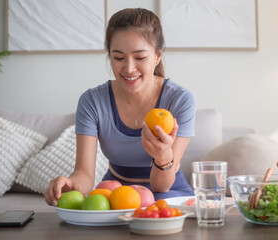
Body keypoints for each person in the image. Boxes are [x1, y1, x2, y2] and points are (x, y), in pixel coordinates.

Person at [44, 8, 196, 206]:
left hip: (167, 193)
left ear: (158, 56)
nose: (129, 68)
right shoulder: (92, 101)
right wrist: (70, 184)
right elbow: (84, 174)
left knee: (157, 205)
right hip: (115, 193)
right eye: (118, 58)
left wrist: (163, 156)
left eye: (140, 58)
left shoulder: (180, 100)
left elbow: (161, 187)